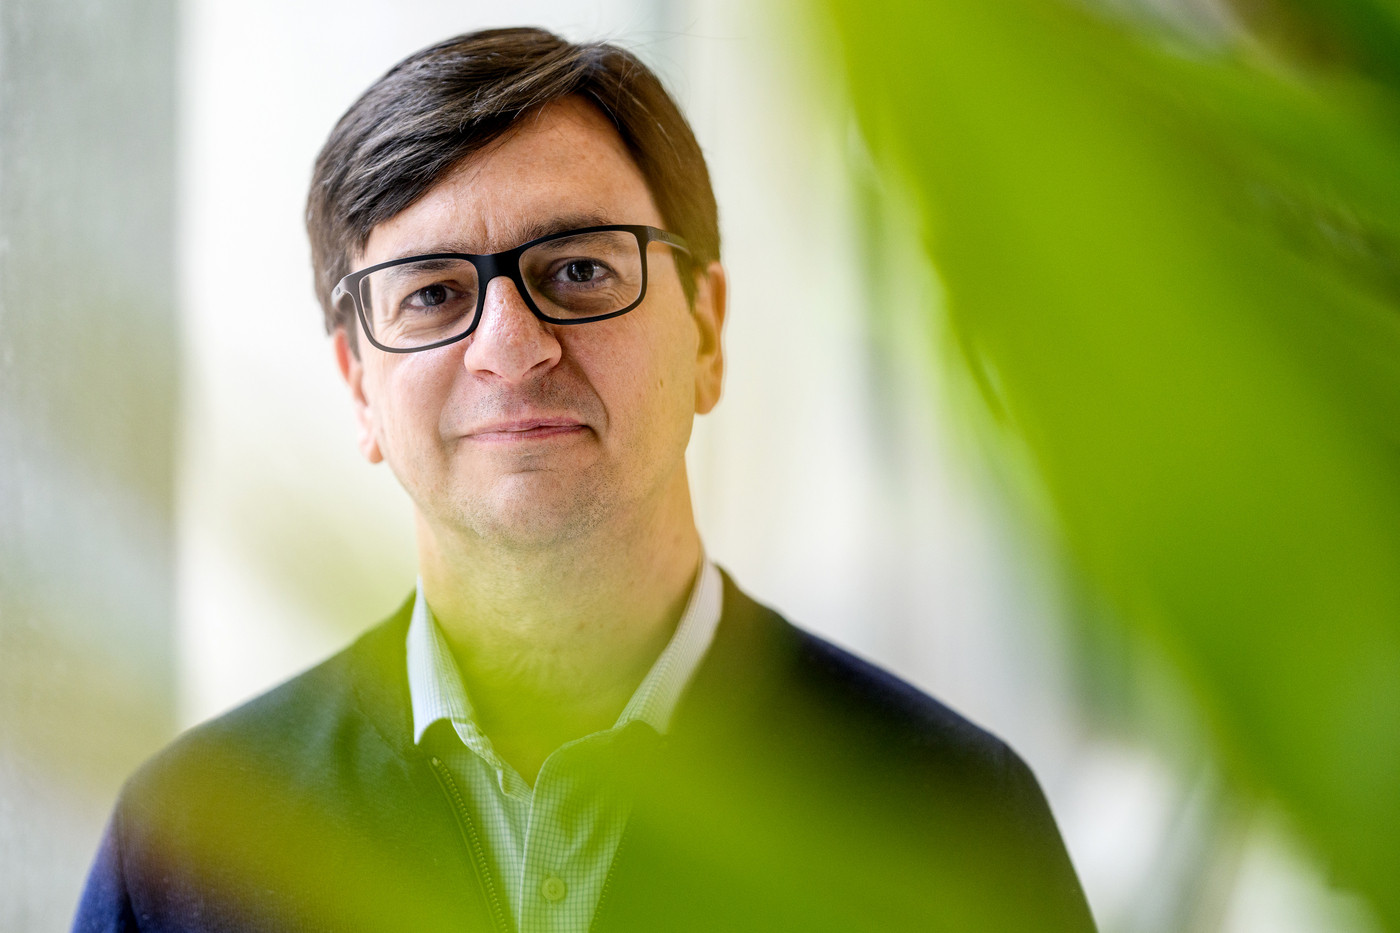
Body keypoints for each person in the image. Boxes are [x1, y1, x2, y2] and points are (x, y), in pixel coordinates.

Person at [73, 27, 1095, 933]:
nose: (511, 350)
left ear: (705, 329)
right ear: (356, 386)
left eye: (578, 272)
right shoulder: (190, 842)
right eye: (430, 294)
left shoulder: (953, 817)